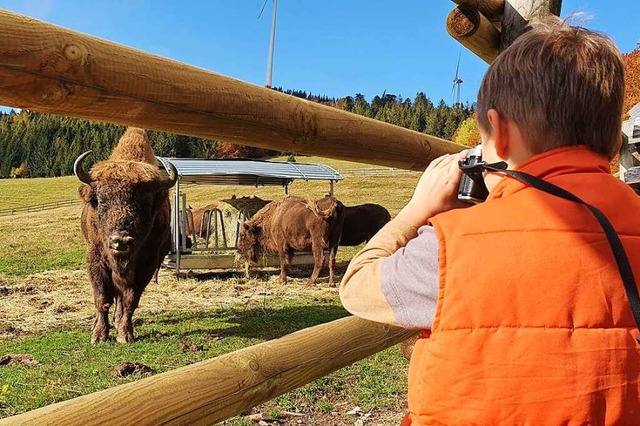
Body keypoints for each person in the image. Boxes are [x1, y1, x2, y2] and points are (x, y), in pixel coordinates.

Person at [339, 19, 640, 425]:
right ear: (612, 141)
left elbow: (357, 288)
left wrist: (417, 210)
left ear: (498, 135)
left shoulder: (450, 248)